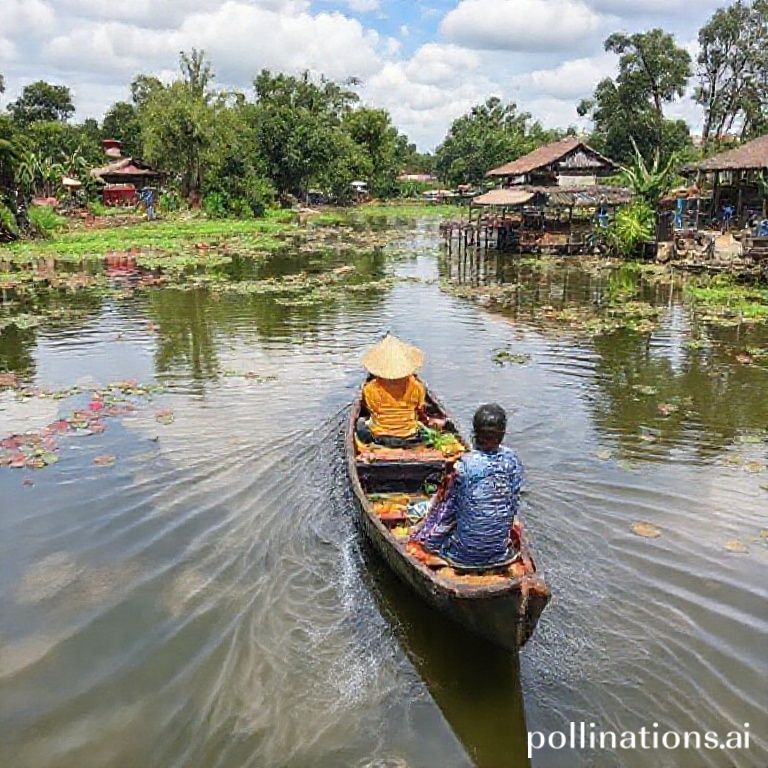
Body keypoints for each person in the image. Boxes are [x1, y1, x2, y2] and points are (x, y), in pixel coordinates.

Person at [411, 403, 523, 570]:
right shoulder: (512, 459)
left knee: (441, 511)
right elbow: (513, 502)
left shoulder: (464, 466)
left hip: (462, 554)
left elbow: (445, 512)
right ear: (502, 434)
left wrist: (425, 536)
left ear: (475, 433)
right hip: (499, 550)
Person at [357, 334, 426, 448]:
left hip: (380, 437)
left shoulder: (370, 388)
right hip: (410, 436)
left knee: (360, 423)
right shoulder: (417, 386)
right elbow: (420, 410)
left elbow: (371, 411)